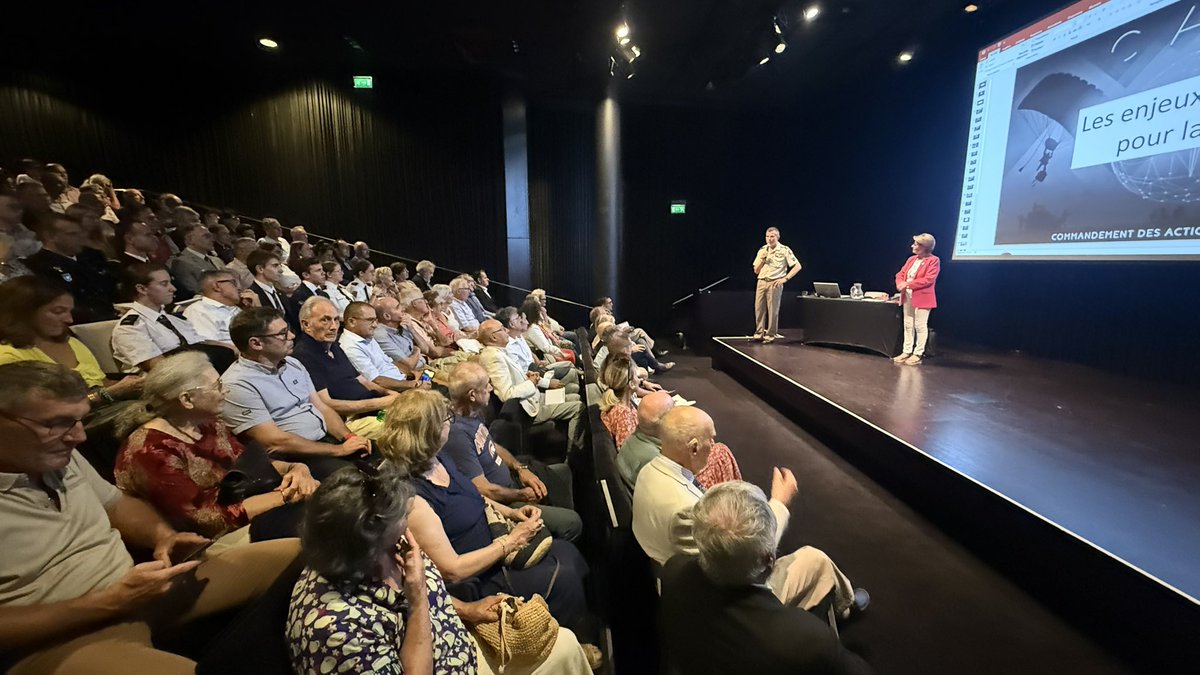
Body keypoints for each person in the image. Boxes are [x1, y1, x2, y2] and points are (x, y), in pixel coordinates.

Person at [0, 361, 301, 675]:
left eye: (78, 420)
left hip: (137, 590)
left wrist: (162, 536)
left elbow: (117, 505)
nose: (78, 436)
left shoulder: (58, 455)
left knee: (309, 552)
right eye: (56, 423)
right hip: (57, 638)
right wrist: (108, 602)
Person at [287, 463, 592, 674]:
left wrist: (469, 610)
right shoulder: (335, 630)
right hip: (449, 664)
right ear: (371, 543)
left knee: (560, 639)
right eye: (402, 519)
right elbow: (420, 601)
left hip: (457, 640)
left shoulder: (381, 549)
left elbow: (429, 595)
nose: (410, 520)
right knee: (563, 648)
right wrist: (419, 597)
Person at [375, 390, 599, 658]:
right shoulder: (413, 500)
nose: (451, 422)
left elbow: (476, 496)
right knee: (566, 577)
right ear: (431, 432)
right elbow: (452, 571)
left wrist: (511, 513)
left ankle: (570, 634)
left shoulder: (437, 458)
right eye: (446, 418)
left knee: (568, 552)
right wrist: (511, 541)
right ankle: (565, 648)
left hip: (494, 543)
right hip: (478, 577)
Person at [631, 406, 866, 618]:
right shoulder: (685, 510)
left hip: (670, 580)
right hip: (724, 601)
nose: (714, 447)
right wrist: (780, 502)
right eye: (711, 441)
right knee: (815, 559)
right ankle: (845, 606)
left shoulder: (648, 471)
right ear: (693, 448)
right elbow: (751, 553)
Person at [659, 482, 873, 675]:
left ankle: (845, 601)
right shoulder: (808, 639)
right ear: (769, 561)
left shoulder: (673, 570)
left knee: (815, 560)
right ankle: (844, 603)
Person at [114, 352, 316, 542]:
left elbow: (249, 465)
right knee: (320, 521)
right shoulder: (150, 451)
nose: (225, 391)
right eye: (217, 386)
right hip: (209, 539)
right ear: (186, 399)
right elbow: (205, 521)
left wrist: (296, 469)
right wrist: (285, 495)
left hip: (248, 503)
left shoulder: (208, 422)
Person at [221, 307, 373, 479]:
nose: (292, 336)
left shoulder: (293, 364)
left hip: (327, 440)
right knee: (356, 480)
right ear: (256, 343)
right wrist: (339, 450)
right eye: (282, 333)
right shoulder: (237, 384)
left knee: (386, 455)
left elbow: (322, 408)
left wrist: (349, 437)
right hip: (296, 458)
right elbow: (274, 442)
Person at [441, 362, 583, 543]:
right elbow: (483, 490)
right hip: (506, 502)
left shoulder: (473, 413)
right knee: (572, 523)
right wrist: (522, 495)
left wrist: (520, 468)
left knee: (564, 472)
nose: (491, 389)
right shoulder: (456, 434)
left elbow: (493, 446)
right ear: (472, 395)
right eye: (486, 386)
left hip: (513, 481)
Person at [0, 276, 142, 406]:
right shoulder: (9, 357)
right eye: (58, 311)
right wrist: (108, 394)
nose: (69, 319)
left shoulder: (72, 343)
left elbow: (103, 383)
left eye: (69, 311)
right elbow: (44, 411)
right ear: (24, 312)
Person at [292, 297, 399, 439]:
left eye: (336, 320)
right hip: (353, 419)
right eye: (325, 320)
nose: (333, 326)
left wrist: (388, 393)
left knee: (424, 408)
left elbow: (362, 380)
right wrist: (380, 403)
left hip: (374, 409)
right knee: (408, 424)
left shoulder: (333, 345)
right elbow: (327, 403)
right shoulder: (304, 355)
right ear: (306, 325)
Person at [476, 319, 585, 452]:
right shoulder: (493, 357)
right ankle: (572, 453)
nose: (507, 331)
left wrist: (530, 377)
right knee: (578, 407)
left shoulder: (500, 352)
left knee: (575, 397)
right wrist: (531, 382)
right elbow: (506, 394)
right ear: (493, 336)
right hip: (529, 409)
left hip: (535, 398)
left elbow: (517, 377)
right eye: (502, 329)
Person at [110, 264, 237, 373]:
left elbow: (199, 343)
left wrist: (235, 350)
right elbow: (159, 368)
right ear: (142, 289)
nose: (173, 289)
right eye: (164, 284)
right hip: (170, 383)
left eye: (170, 282)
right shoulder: (131, 327)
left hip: (200, 370)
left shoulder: (175, 320)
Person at [617, 391, 741, 490]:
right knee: (720, 452)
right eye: (674, 407)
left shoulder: (631, 441)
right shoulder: (659, 460)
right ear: (667, 422)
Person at [24, 211, 118, 323]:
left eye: (80, 233)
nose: (81, 238)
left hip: (111, 313)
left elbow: (110, 284)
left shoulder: (92, 255)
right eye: (72, 234)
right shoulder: (37, 264)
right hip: (77, 322)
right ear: (50, 237)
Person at [340, 301, 428, 392]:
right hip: (397, 390)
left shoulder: (367, 337)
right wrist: (414, 384)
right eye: (370, 320)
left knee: (431, 377)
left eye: (375, 320)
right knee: (440, 391)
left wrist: (411, 375)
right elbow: (377, 381)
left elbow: (389, 363)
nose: (375, 325)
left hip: (406, 380)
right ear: (352, 322)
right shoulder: (351, 347)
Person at [495, 306, 577, 389]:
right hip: (533, 380)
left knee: (570, 369)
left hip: (537, 369)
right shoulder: (509, 347)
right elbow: (522, 374)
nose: (522, 320)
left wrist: (538, 362)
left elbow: (530, 354)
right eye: (517, 318)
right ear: (511, 324)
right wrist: (547, 383)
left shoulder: (518, 336)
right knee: (572, 374)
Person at [893, 233, 940, 366]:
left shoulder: (933, 260)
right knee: (908, 324)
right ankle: (906, 350)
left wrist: (907, 284)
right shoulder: (911, 260)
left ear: (925, 247)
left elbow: (928, 279)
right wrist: (900, 283)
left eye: (916, 244)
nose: (912, 246)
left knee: (920, 325)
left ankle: (918, 353)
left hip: (923, 297)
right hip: (907, 296)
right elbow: (900, 274)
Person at [751, 226, 801, 343]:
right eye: (767, 236)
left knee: (773, 310)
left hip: (774, 282)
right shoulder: (762, 250)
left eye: (772, 236)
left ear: (777, 237)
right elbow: (756, 270)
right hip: (762, 281)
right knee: (759, 309)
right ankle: (759, 334)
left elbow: (797, 266)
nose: (769, 239)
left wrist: (785, 278)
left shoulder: (784, 250)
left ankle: (770, 335)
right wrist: (763, 259)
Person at [181, 269, 242, 345]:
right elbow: (207, 344)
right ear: (217, 286)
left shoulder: (237, 309)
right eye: (234, 283)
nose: (239, 288)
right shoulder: (198, 310)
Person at [373, 296, 427, 377]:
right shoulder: (380, 335)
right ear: (387, 316)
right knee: (449, 382)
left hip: (426, 368)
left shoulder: (403, 324)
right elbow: (408, 366)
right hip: (413, 377)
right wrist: (417, 351)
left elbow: (425, 349)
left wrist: (412, 329)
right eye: (397, 307)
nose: (403, 309)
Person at [168, 222, 225, 298]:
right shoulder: (181, 262)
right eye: (207, 236)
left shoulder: (216, 260)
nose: (213, 240)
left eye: (211, 236)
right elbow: (195, 292)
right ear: (190, 239)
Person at [598, 355, 640, 446]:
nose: (639, 379)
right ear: (631, 384)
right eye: (637, 375)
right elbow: (627, 449)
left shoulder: (620, 405)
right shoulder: (623, 415)